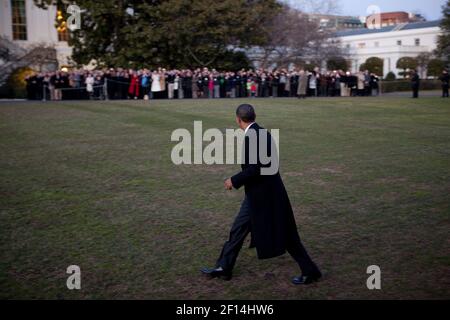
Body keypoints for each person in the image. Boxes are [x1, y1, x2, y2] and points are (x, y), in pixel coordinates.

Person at [201, 104, 322, 285]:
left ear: (238, 119)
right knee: (239, 230)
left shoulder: (253, 136)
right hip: (262, 193)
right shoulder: (262, 132)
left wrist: (233, 180)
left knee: (286, 234)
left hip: (264, 196)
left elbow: (255, 169)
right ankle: (224, 267)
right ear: (254, 116)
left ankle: (310, 271)